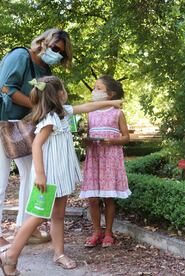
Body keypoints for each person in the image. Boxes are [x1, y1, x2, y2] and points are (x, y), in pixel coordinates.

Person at [0, 76, 123, 274]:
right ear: (59, 94)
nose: (66, 92)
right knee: (38, 216)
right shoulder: (49, 119)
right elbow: (37, 145)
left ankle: (59, 254)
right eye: (64, 89)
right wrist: (40, 175)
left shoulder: (63, 113)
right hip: (48, 177)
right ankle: (10, 256)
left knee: (58, 216)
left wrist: (111, 103)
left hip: (60, 175)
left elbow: (87, 107)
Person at [0, 28, 73, 246]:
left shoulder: (45, 68)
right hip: (3, 122)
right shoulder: (20, 56)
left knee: (32, 178)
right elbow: (6, 89)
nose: (57, 54)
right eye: (55, 48)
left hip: (24, 127)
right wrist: (38, 106)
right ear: (43, 41)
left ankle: (25, 228)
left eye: (61, 53)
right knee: (1, 180)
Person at [81, 75, 130, 248]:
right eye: (94, 88)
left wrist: (113, 141)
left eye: (98, 88)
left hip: (110, 159)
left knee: (109, 197)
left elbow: (126, 137)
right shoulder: (91, 113)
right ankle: (96, 232)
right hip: (94, 158)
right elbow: (88, 135)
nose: (94, 91)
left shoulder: (118, 113)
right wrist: (85, 141)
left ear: (111, 94)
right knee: (93, 198)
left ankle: (109, 233)